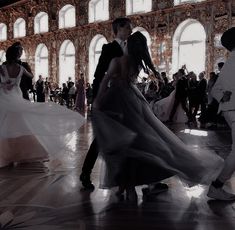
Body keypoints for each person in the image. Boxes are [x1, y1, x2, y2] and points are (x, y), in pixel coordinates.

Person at [92, 31, 223, 201]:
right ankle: (129, 187)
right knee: (141, 142)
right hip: (134, 101)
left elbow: (105, 81)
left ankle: (126, 186)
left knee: (120, 144)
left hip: (117, 101)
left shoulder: (118, 61)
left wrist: (98, 101)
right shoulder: (137, 64)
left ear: (128, 45)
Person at [0, 45, 85, 168]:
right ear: (17, 55)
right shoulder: (21, 68)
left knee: (6, 125)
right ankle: (22, 153)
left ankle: (7, 154)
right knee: (21, 124)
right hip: (17, 97)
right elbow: (31, 76)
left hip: (5, 98)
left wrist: (3, 84)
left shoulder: (2, 68)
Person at [79, 17, 132, 189]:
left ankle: (126, 176)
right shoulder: (109, 48)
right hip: (110, 97)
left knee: (129, 135)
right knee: (101, 138)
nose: (130, 30)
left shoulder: (129, 48)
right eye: (128, 28)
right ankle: (86, 173)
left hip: (126, 97)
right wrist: (98, 98)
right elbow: (98, 74)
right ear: (119, 29)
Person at [208, 27, 235, 200]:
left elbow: (216, 89)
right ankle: (216, 186)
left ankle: (217, 186)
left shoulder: (231, 60)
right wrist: (224, 97)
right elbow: (217, 89)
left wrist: (223, 97)